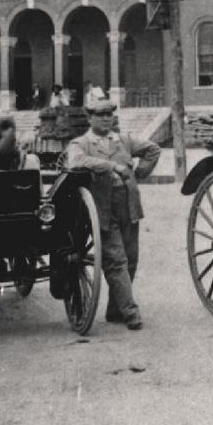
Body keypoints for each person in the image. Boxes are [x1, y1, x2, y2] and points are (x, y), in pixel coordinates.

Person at [65, 98, 161, 328]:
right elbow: (76, 161)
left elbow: (153, 150)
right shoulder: (81, 143)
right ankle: (131, 313)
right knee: (116, 260)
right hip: (102, 209)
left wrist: (137, 177)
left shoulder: (123, 140)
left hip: (128, 205)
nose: (106, 118)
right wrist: (111, 166)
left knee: (131, 259)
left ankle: (115, 310)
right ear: (90, 118)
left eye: (109, 114)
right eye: (100, 115)